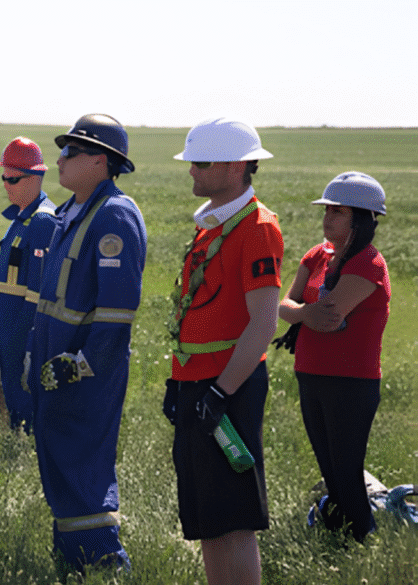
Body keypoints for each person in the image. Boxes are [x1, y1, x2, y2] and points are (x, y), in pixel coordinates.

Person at [27, 114, 145, 572]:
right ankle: (74, 560)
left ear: (101, 160)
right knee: (59, 459)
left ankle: (106, 564)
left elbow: (116, 314)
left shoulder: (114, 214)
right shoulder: (70, 212)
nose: (60, 159)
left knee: (82, 464)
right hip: (55, 365)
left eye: (71, 151)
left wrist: (78, 364)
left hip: (84, 372)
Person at [167, 117, 281, 585]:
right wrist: (182, 384)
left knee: (234, 521)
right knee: (208, 520)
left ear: (236, 166)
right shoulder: (213, 227)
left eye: (201, 162)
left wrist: (219, 393)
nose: (191, 171)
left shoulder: (256, 227)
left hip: (226, 388)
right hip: (198, 383)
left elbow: (264, 321)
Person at [277, 171, 389, 543]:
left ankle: (364, 539)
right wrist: (303, 313)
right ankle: (340, 533)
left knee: (346, 467)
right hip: (310, 373)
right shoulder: (316, 254)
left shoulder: (369, 264)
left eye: (337, 212)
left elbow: (327, 318)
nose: (327, 219)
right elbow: (286, 304)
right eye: (326, 210)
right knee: (328, 465)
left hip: (351, 381)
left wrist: (302, 312)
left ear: (361, 219)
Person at [0, 137, 56, 433]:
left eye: (13, 178)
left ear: (36, 178)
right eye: (4, 176)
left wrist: (23, 335)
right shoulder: (21, 217)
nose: (6, 184)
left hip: (20, 326)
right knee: (12, 389)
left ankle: (26, 443)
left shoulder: (42, 222)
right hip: (9, 325)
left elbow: (39, 290)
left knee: (23, 391)